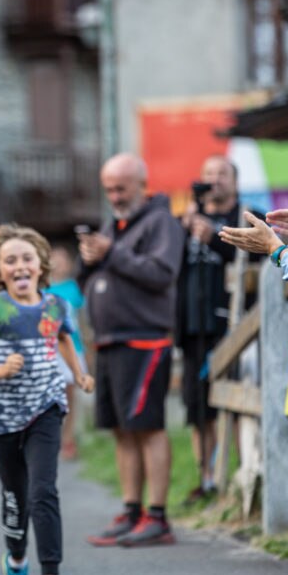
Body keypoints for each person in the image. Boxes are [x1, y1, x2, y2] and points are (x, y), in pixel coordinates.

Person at [0, 224, 94, 575]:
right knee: (16, 495)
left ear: (41, 265)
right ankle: (16, 556)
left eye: (27, 259)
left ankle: (51, 569)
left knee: (43, 491)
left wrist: (78, 373)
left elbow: (64, 338)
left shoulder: (57, 306)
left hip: (45, 407)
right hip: (1, 415)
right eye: (10, 260)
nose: (20, 266)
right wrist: (0, 370)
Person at [79, 153, 185, 547]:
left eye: (121, 188)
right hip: (110, 341)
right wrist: (89, 259)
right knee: (122, 430)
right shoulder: (114, 224)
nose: (115, 196)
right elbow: (100, 272)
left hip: (145, 339)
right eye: (109, 189)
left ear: (143, 184)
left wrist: (110, 253)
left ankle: (157, 516)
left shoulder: (162, 222)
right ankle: (131, 510)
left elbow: (161, 274)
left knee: (148, 427)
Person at [176, 155, 259, 501]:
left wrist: (213, 238)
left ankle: (242, 476)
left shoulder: (248, 217)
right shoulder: (186, 221)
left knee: (238, 405)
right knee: (199, 409)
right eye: (208, 173)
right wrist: (184, 231)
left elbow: (257, 264)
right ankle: (207, 479)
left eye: (222, 174)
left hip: (234, 327)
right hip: (193, 328)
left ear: (235, 182)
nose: (214, 180)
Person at [46, 242, 88, 460]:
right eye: (55, 257)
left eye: (63, 258)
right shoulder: (42, 288)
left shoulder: (74, 288)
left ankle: (68, 440)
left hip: (73, 348)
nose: (59, 263)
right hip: (48, 352)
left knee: (70, 395)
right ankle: (49, 439)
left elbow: (84, 319)